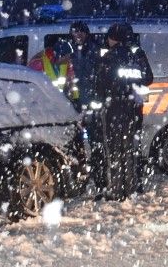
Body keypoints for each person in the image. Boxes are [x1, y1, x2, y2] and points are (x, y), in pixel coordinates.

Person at [90, 22, 154, 200]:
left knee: (114, 151)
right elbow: (148, 78)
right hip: (133, 108)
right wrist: (131, 85)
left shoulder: (109, 57)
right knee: (130, 149)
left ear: (114, 38)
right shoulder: (136, 55)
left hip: (113, 108)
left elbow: (99, 84)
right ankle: (132, 188)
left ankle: (116, 190)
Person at [66, 22, 98, 110]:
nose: (79, 34)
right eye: (76, 31)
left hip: (90, 96)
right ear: (71, 34)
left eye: (82, 31)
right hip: (69, 96)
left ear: (87, 34)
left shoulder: (95, 49)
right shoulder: (66, 49)